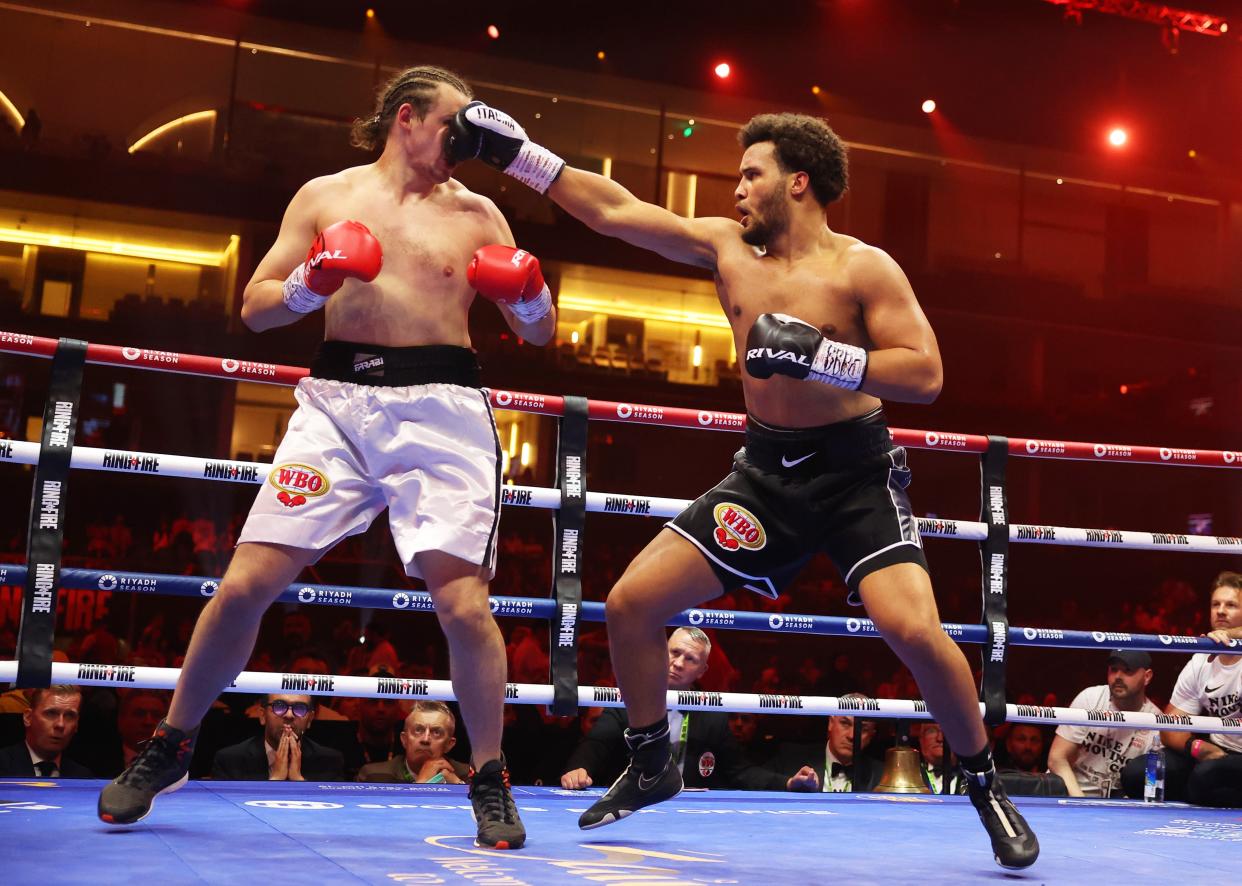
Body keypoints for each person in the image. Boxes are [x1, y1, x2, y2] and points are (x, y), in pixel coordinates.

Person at [450, 104, 1037, 866]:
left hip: (856, 475)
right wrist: (521, 157)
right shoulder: (727, 247)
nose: (737, 190)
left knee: (916, 631)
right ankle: (654, 759)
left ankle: (986, 785)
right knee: (630, 604)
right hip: (765, 476)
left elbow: (925, 373)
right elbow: (618, 211)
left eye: (750, 175)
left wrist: (824, 357)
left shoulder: (864, 266)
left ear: (798, 182)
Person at [99, 65, 556, 850]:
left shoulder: (480, 213)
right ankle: (171, 743)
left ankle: (488, 777)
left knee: (463, 604)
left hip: (442, 410)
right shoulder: (325, 196)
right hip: (338, 405)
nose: (467, 145)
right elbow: (255, 304)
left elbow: (540, 333)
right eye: (456, 127)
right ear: (406, 118)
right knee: (244, 584)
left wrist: (527, 297)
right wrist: (314, 281)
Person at [559, 628, 812, 793]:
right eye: (675, 653)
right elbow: (595, 744)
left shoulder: (712, 714)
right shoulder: (631, 697)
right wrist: (579, 769)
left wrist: (788, 782)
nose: (678, 663)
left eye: (690, 659)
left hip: (687, 814)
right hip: (630, 804)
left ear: (702, 670)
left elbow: (741, 771)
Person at [1121, 572, 1242, 807]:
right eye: (1215, 604)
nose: (1221, 611)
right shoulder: (1201, 660)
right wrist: (1196, 747)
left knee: (1205, 779)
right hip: (1215, 755)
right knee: (1138, 774)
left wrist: (1233, 635)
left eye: (1231, 605)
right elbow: (1171, 726)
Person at [1046, 650, 1160, 798]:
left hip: (1116, 806)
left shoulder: (1156, 721)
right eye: (1113, 669)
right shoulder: (1090, 698)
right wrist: (1080, 802)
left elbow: (1151, 783)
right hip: (1068, 793)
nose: (1118, 677)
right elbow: (1056, 758)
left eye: (1127, 670)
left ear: (1147, 677)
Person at [211, 694, 345, 781]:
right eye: (279, 706)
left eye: (299, 708)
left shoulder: (329, 762)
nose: (289, 715)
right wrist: (275, 781)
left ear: (309, 719)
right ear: (262, 715)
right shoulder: (230, 760)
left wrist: (298, 781)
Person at [768, 695, 881, 792]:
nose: (851, 736)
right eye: (845, 723)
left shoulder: (882, 774)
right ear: (830, 723)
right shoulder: (791, 757)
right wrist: (789, 783)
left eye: (862, 728)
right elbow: (752, 777)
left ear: (871, 735)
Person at [358, 701, 469, 784]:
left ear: (449, 744)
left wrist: (459, 788)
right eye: (418, 730)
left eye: (436, 732)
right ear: (404, 739)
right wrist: (422, 784)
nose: (425, 739)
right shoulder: (374, 776)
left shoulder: (467, 775)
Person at [0, 686, 93, 777]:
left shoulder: (82, 776)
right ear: (28, 717)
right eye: (51, 713)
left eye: (70, 716)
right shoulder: (3, 766)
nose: (60, 724)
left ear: (76, 724)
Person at [917, 721, 964, 794]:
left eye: (949, 731)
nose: (940, 738)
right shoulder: (908, 775)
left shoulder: (974, 778)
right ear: (921, 739)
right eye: (931, 731)